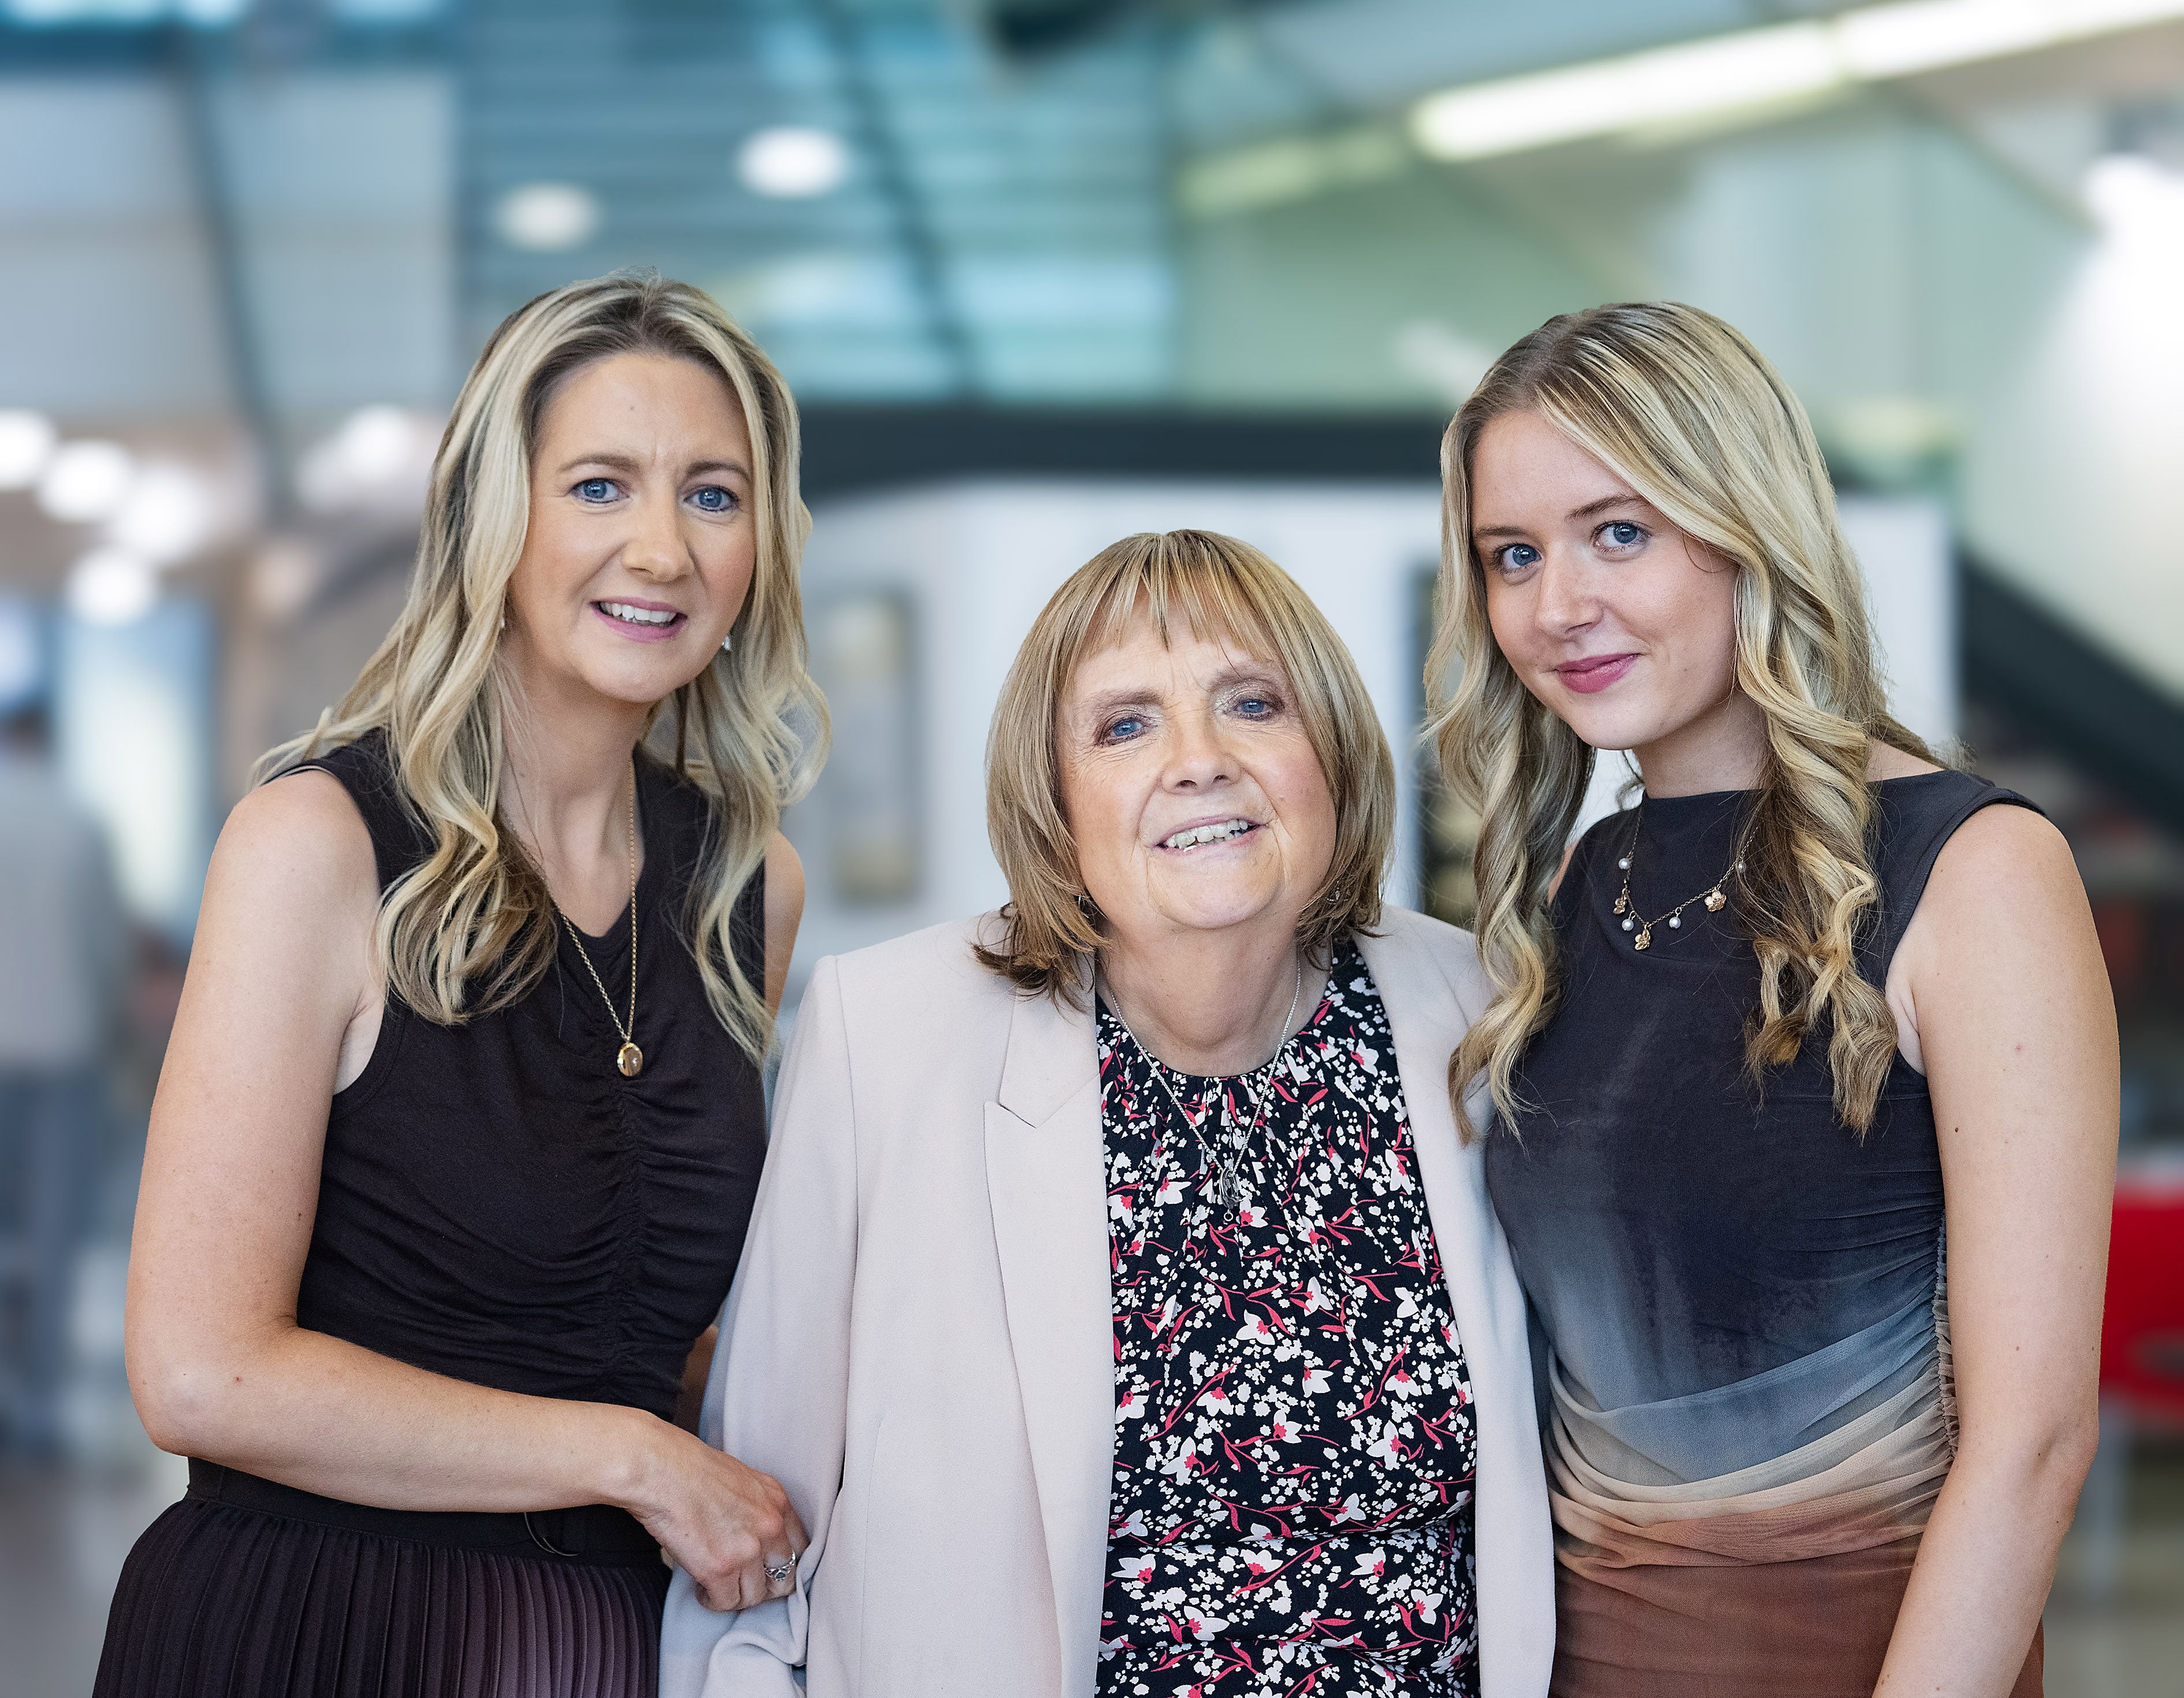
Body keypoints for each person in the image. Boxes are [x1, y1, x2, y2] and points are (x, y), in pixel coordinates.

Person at [662, 529, 1554, 1698]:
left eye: (1253, 703)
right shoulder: (882, 1037)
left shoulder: (1485, 1008)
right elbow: (750, 1549)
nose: (1199, 761)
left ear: (1331, 748)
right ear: (1055, 800)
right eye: (1126, 724)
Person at [96, 271, 827, 1698]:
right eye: (601, 485)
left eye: (715, 495)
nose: (663, 548)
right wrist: (632, 1455)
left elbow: (668, 1340)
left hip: (612, 1647)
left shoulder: (752, 886)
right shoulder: (318, 843)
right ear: (496, 518)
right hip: (326, 1633)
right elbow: (197, 1370)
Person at [1429, 302, 2116, 1697]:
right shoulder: (1583, 878)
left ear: (1744, 524)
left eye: (1619, 532)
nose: (1558, 604)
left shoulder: (1973, 870)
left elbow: (2033, 1436)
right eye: (1515, 553)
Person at [0, 699, 124, 1456]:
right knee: (52, 1237)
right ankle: (40, 1404)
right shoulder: (81, 823)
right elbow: (108, 947)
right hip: (64, 1049)